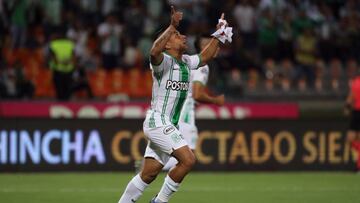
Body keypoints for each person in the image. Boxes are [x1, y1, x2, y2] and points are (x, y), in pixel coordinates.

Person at [117, 6, 232, 203]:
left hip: (170, 124)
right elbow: (153, 51)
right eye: (178, 35)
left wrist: (219, 33)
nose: (184, 37)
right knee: (188, 160)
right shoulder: (162, 63)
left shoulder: (186, 62)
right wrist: (171, 26)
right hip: (158, 122)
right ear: (167, 43)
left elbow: (205, 57)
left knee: (149, 174)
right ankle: (160, 201)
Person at [163, 35, 225, 171]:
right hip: (184, 111)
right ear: (203, 48)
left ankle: (150, 168)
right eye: (209, 44)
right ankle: (149, 168)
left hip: (175, 109)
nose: (216, 47)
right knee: (188, 155)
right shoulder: (202, 67)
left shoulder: (189, 62)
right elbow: (197, 94)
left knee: (180, 153)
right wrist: (215, 100)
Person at [345, 73, 360, 172]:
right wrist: (347, 107)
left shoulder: (356, 81)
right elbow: (351, 97)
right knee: (350, 139)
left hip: (357, 113)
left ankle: (358, 167)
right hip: (356, 112)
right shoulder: (356, 82)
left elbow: (350, 97)